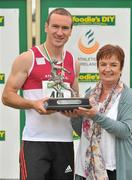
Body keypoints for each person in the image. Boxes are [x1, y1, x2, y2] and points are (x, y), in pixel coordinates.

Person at [2, 8, 80, 180]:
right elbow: (7, 96)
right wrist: (33, 104)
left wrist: (76, 110)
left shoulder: (73, 62)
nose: (60, 32)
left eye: (65, 28)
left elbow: (75, 98)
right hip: (35, 142)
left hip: (64, 142)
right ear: (45, 27)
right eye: (55, 26)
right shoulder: (28, 58)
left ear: (71, 31)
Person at [69, 44, 132, 180]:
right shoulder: (90, 94)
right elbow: (82, 131)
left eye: (113, 65)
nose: (107, 69)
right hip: (87, 168)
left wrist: (96, 116)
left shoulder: (128, 96)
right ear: (98, 67)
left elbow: (125, 130)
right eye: (103, 64)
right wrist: (74, 117)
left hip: (114, 169)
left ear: (121, 68)